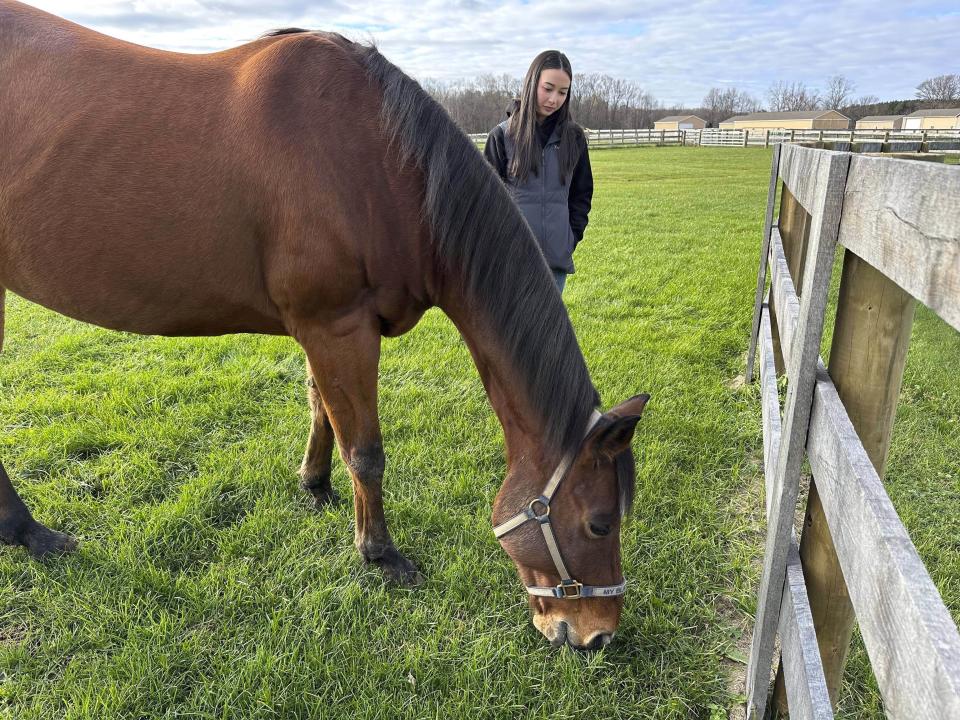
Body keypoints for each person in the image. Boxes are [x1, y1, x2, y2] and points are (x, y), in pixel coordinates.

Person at [483, 50, 593, 293]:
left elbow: (581, 195)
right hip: (510, 261)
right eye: (548, 88)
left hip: (554, 263)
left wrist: (569, 239)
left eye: (562, 92)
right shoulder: (501, 137)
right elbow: (485, 202)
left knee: (545, 332)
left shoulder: (574, 139)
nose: (554, 99)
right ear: (532, 83)